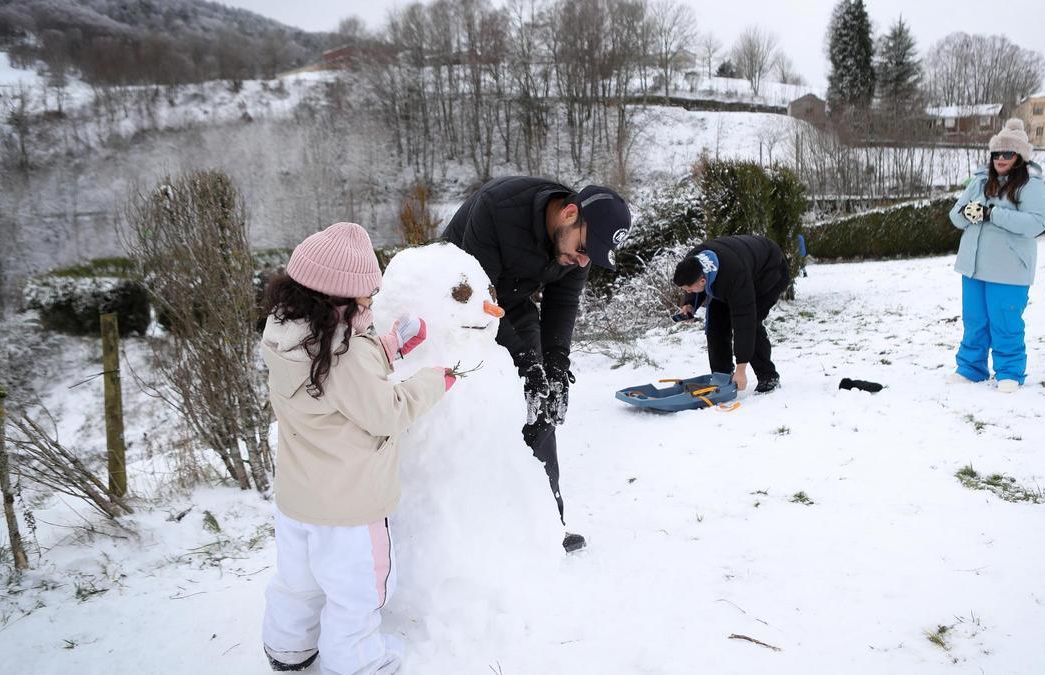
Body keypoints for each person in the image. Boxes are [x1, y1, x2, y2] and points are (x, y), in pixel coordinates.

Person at [260, 222, 454, 673]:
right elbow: (384, 410)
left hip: (297, 500)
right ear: (336, 298)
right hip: (350, 508)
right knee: (357, 594)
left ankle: (288, 650)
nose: (371, 303)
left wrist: (389, 345)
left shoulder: (285, 330)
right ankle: (358, 664)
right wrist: (433, 380)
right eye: (365, 296)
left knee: (298, 584)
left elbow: (334, 380)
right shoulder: (344, 352)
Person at [443, 176, 631, 552]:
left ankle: (546, 525)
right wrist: (526, 363)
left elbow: (563, 303)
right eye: (583, 249)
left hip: (511, 303)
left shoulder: (578, 245)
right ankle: (460, 529)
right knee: (474, 405)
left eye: (589, 256)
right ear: (569, 212)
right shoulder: (498, 209)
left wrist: (555, 368)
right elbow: (478, 301)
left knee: (539, 404)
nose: (582, 261)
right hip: (457, 303)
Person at [948, 118, 1045, 393]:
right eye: (996, 153)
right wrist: (967, 213)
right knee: (975, 320)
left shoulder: (1031, 185)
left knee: (1005, 321)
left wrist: (993, 214)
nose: (1000, 159)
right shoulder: (980, 182)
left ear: (1019, 157)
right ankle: (971, 368)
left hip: (1009, 269)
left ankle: (1009, 371)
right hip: (972, 266)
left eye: (1007, 153)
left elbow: (1036, 223)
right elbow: (955, 216)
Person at [672, 234, 790, 393]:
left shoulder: (734, 275)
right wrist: (690, 303)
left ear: (703, 281)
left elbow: (744, 323)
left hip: (769, 271)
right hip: (737, 266)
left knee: (751, 324)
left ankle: (768, 376)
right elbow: (692, 282)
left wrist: (741, 369)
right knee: (715, 323)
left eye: (689, 289)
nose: (687, 291)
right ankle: (722, 375)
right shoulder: (693, 260)